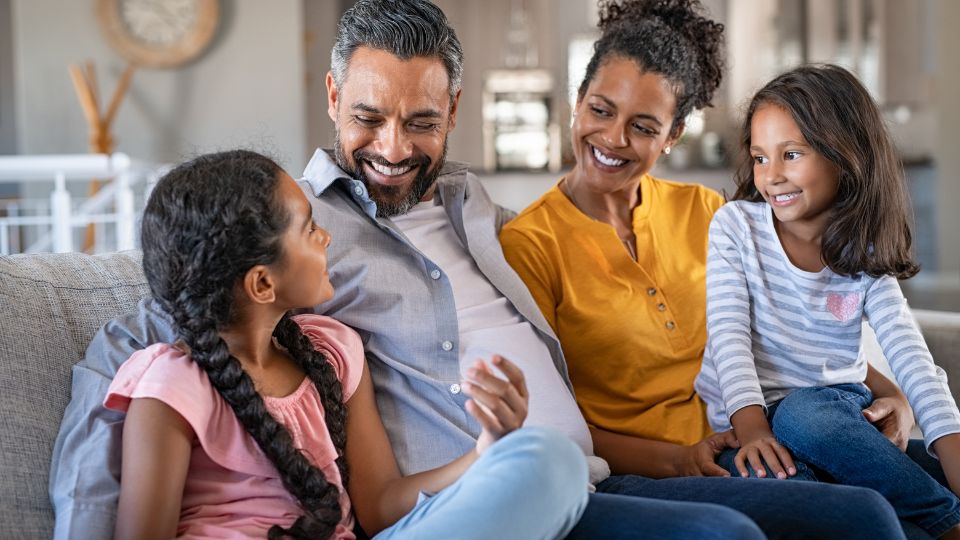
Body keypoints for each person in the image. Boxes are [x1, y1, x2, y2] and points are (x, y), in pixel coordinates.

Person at [51, 1, 893, 539]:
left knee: (858, 517)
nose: (391, 148)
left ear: (455, 109)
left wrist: (860, 382)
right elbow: (154, 323)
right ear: (333, 91)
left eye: (420, 121)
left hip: (592, 479)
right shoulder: (289, 232)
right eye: (368, 117)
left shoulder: (474, 207)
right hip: (476, 498)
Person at [500, 0, 925, 538]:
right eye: (600, 110)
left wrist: (896, 394)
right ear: (576, 102)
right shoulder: (528, 245)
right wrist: (680, 459)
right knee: (862, 516)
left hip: (766, 437)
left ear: (673, 135)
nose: (612, 139)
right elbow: (550, 425)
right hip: (648, 473)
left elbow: (798, 328)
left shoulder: (708, 213)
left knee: (929, 483)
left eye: (643, 125)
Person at [105, 149, 589, 539]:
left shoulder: (333, 352)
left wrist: (486, 451)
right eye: (309, 229)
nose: (327, 237)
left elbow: (380, 509)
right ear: (262, 285)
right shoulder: (172, 386)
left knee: (549, 461)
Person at [693, 64, 960, 539]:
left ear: (844, 156)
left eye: (791, 154)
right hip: (750, 426)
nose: (771, 176)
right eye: (759, 158)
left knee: (803, 414)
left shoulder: (864, 253)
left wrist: (948, 440)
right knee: (777, 480)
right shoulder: (735, 228)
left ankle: (945, 517)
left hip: (830, 416)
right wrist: (752, 427)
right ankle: (941, 516)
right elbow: (728, 335)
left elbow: (912, 358)